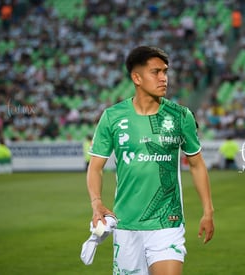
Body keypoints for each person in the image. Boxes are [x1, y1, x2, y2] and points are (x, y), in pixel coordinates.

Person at [86, 46, 214, 275]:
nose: (164, 78)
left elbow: (196, 164)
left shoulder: (181, 116)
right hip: (126, 224)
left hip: (167, 222)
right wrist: (96, 203)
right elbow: (95, 167)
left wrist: (208, 211)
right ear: (137, 77)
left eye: (165, 71)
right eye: (156, 72)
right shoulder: (112, 117)